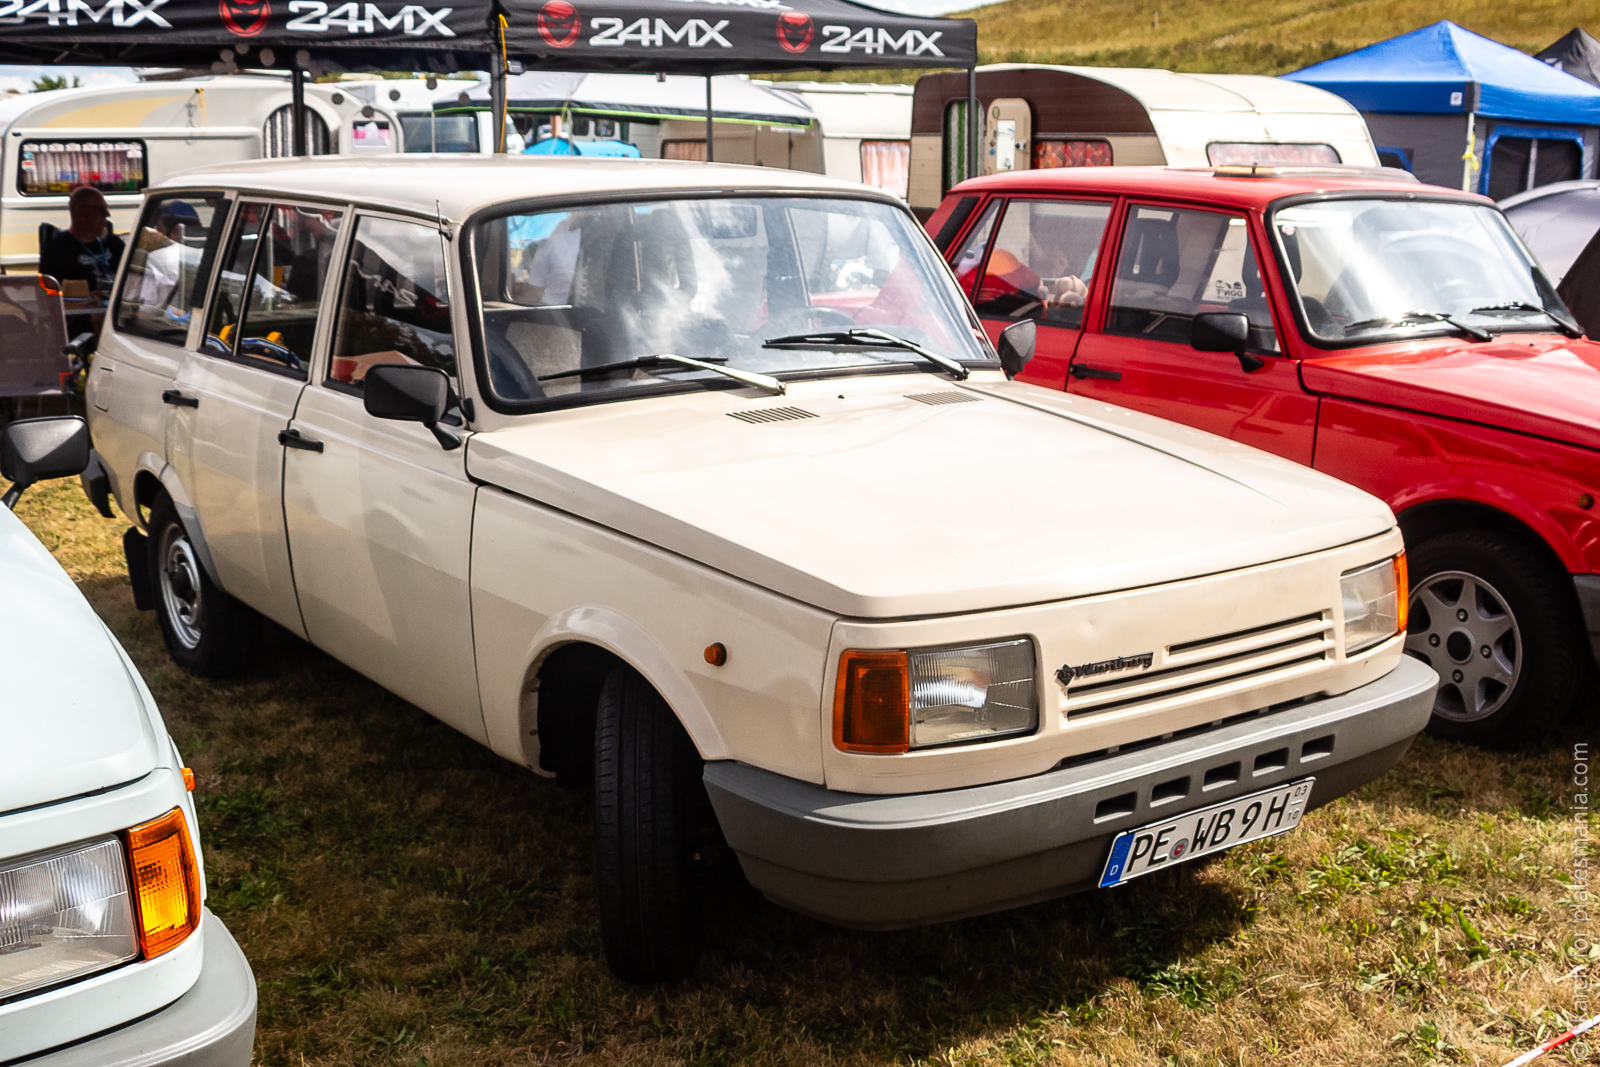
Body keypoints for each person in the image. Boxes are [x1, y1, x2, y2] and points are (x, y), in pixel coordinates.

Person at [39, 186, 125, 297]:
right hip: (81, 311)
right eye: (101, 209)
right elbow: (47, 293)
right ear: (82, 213)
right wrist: (84, 297)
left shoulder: (114, 244)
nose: (107, 215)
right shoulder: (57, 249)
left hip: (115, 308)